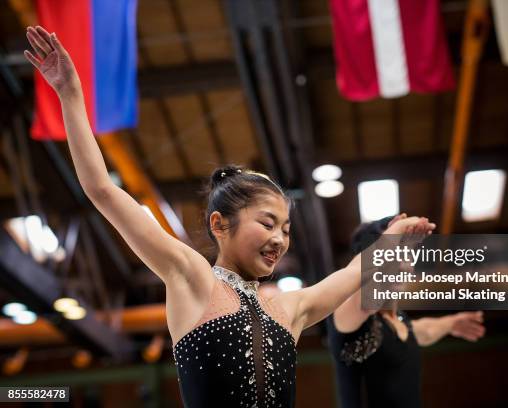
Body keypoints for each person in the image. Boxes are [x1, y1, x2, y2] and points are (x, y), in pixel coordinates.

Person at [24, 26, 436, 408]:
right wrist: (70, 94)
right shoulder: (190, 276)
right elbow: (102, 190)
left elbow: (352, 274)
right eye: (268, 223)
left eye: (286, 229)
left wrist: (393, 237)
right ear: (220, 225)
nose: (280, 239)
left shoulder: (289, 310)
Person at [327, 215, 486, 408]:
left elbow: (421, 331)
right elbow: (367, 303)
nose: (401, 260)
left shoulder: (399, 321)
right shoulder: (349, 315)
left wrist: (450, 323)